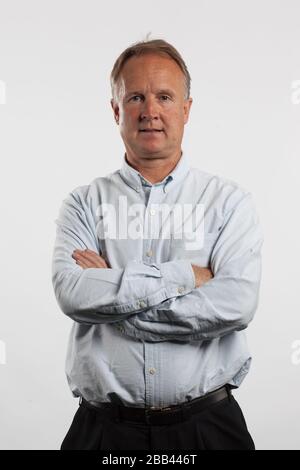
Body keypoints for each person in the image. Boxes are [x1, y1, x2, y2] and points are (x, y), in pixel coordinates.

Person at [52, 38, 263, 450]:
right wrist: (186, 276)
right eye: (135, 97)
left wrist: (114, 302)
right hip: (102, 433)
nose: (150, 111)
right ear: (116, 110)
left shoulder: (229, 203)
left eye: (164, 96)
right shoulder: (82, 204)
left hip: (209, 429)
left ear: (186, 108)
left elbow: (237, 304)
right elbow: (74, 295)